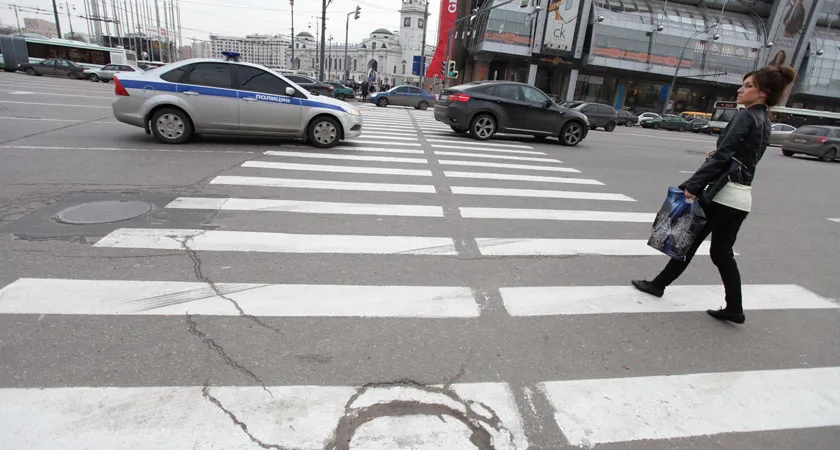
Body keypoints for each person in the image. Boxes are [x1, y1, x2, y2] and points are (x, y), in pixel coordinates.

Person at [631, 65, 797, 325]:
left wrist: (692, 185)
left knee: (687, 244)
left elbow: (723, 157)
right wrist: (720, 156)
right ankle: (735, 308)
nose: (740, 90)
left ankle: (658, 285)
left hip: (721, 196)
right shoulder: (764, 119)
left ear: (763, 93)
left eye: (748, 86)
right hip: (740, 198)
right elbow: (742, 156)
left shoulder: (746, 116)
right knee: (721, 253)